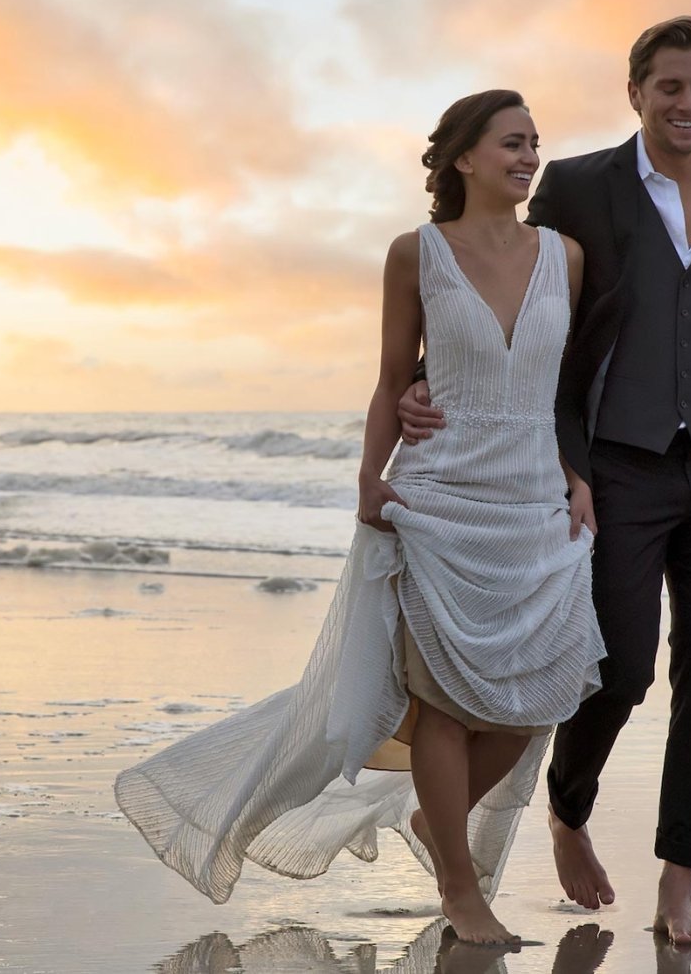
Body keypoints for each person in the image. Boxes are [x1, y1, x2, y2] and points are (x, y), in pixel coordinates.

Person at [115, 89, 605, 945]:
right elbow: (391, 377)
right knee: (443, 704)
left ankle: (433, 824)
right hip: (438, 495)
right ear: (462, 159)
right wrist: (368, 480)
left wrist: (576, 472)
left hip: (533, 500)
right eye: (509, 143)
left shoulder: (565, 256)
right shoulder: (413, 254)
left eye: (534, 143)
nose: (528, 158)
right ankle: (460, 886)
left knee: (542, 696)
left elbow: (565, 388)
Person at [399, 16, 691, 945]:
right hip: (619, 464)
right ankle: (568, 809)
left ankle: (679, 889)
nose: (688, 104)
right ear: (636, 92)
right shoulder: (580, 185)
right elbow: (509, 284)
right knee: (615, 667)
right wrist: (428, 372)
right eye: (669, 87)